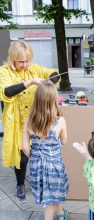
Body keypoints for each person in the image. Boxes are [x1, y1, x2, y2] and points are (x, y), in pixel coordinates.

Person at [0, 40, 60, 203]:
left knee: (38, 153)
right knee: (22, 157)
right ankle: (20, 184)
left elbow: (54, 74)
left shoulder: (34, 69)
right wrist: (31, 82)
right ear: (12, 59)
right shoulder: (4, 72)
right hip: (16, 122)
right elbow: (5, 92)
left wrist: (50, 80)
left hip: (35, 119)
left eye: (27, 61)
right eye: (21, 61)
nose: (25, 64)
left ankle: (39, 182)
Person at [22, 81, 68, 220]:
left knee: (50, 192)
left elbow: (24, 147)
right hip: (54, 163)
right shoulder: (60, 121)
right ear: (54, 100)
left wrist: (35, 156)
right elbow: (64, 141)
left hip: (37, 164)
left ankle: (60, 214)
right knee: (51, 196)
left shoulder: (29, 121)